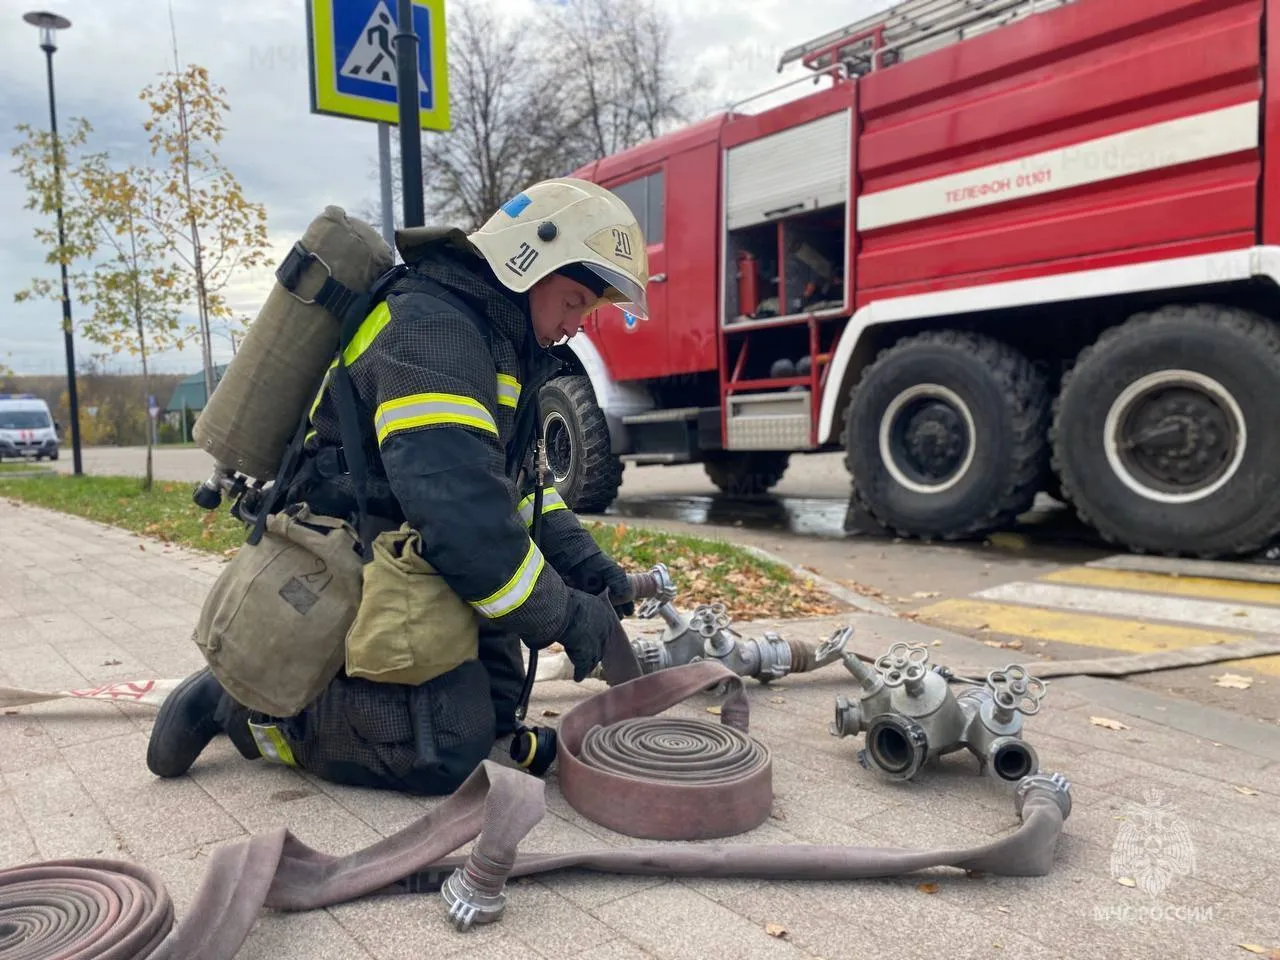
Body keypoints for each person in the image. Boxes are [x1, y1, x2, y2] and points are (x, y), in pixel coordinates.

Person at [146, 177, 649, 794]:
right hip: (352, 556)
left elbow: (512, 490)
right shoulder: (430, 330)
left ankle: (361, 702)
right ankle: (252, 711)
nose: (575, 327)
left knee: (494, 710)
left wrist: (589, 568)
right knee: (442, 752)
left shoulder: (495, 338)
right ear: (527, 260)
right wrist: (567, 617)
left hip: (414, 547)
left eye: (588, 313)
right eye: (574, 301)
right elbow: (463, 520)